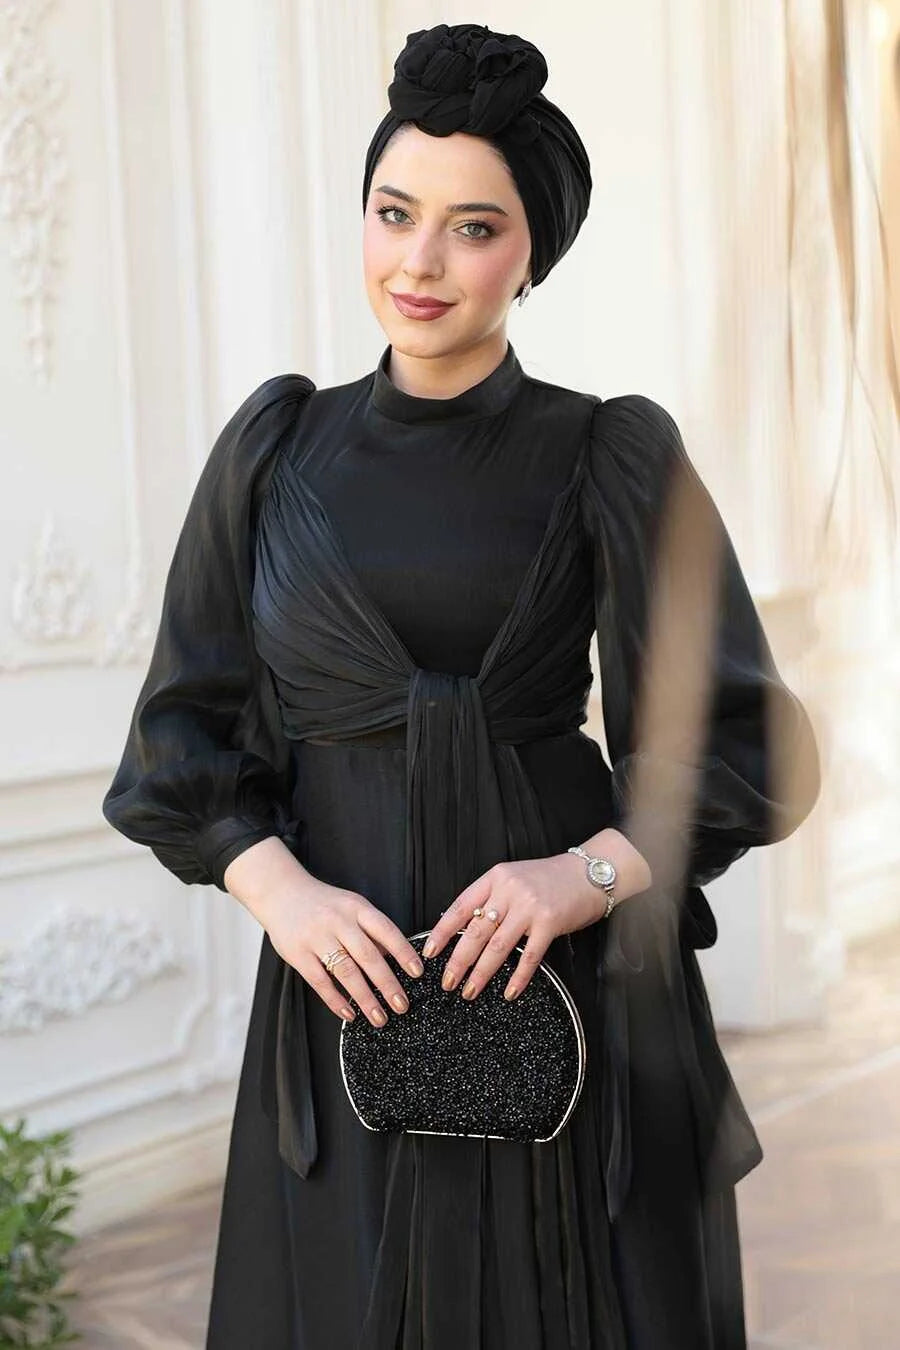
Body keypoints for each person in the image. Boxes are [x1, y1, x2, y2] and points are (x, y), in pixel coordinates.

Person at [101, 22, 821, 1350]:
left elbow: (743, 743)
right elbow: (180, 738)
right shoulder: (273, 450)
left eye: (473, 228)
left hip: (570, 994)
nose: (419, 263)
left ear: (532, 253)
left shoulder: (610, 452)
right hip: (341, 995)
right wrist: (284, 895)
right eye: (395, 213)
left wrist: (584, 875)